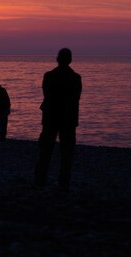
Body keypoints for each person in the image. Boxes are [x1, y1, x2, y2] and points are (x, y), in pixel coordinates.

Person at [34, 48, 82, 190]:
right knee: (67, 154)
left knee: (45, 151)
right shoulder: (75, 78)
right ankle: (64, 184)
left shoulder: (49, 76)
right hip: (68, 120)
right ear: (70, 60)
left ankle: (39, 181)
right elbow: (76, 98)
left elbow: (47, 95)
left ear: (57, 59)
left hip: (51, 118)